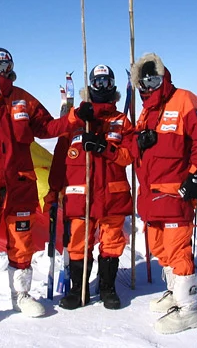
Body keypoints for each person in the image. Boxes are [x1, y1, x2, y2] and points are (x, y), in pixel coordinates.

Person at [0, 47, 93, 330]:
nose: (3, 68)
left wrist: (76, 116)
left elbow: (50, 126)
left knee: (21, 243)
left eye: (7, 63)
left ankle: (21, 295)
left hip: (21, 186)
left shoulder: (23, 99)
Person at [130, 53, 197, 334]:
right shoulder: (145, 112)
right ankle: (174, 291)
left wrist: (195, 176)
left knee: (178, 250)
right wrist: (139, 141)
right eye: (144, 82)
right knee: (158, 248)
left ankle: (189, 310)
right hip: (150, 194)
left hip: (176, 192)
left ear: (164, 76)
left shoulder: (184, 100)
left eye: (154, 79)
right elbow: (136, 152)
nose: (149, 86)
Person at [48, 64, 134, 311]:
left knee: (112, 242)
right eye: (98, 83)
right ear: (91, 86)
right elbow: (59, 161)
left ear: (113, 86)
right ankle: (79, 290)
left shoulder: (121, 121)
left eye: (107, 82)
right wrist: (54, 191)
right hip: (80, 197)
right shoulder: (75, 121)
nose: (102, 87)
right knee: (77, 242)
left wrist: (103, 148)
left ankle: (107, 288)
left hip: (113, 197)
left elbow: (129, 156)